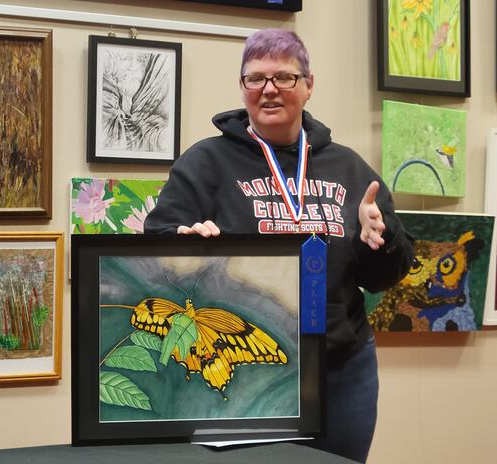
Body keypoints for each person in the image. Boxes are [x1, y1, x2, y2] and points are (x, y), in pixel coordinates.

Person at [144, 28, 413, 463]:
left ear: (308, 86)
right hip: (243, 366)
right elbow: (155, 248)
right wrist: (183, 246)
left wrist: (378, 239)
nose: (269, 89)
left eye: (284, 78)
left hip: (341, 371)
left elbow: (387, 274)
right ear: (243, 87)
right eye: (256, 78)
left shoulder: (349, 167)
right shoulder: (204, 163)